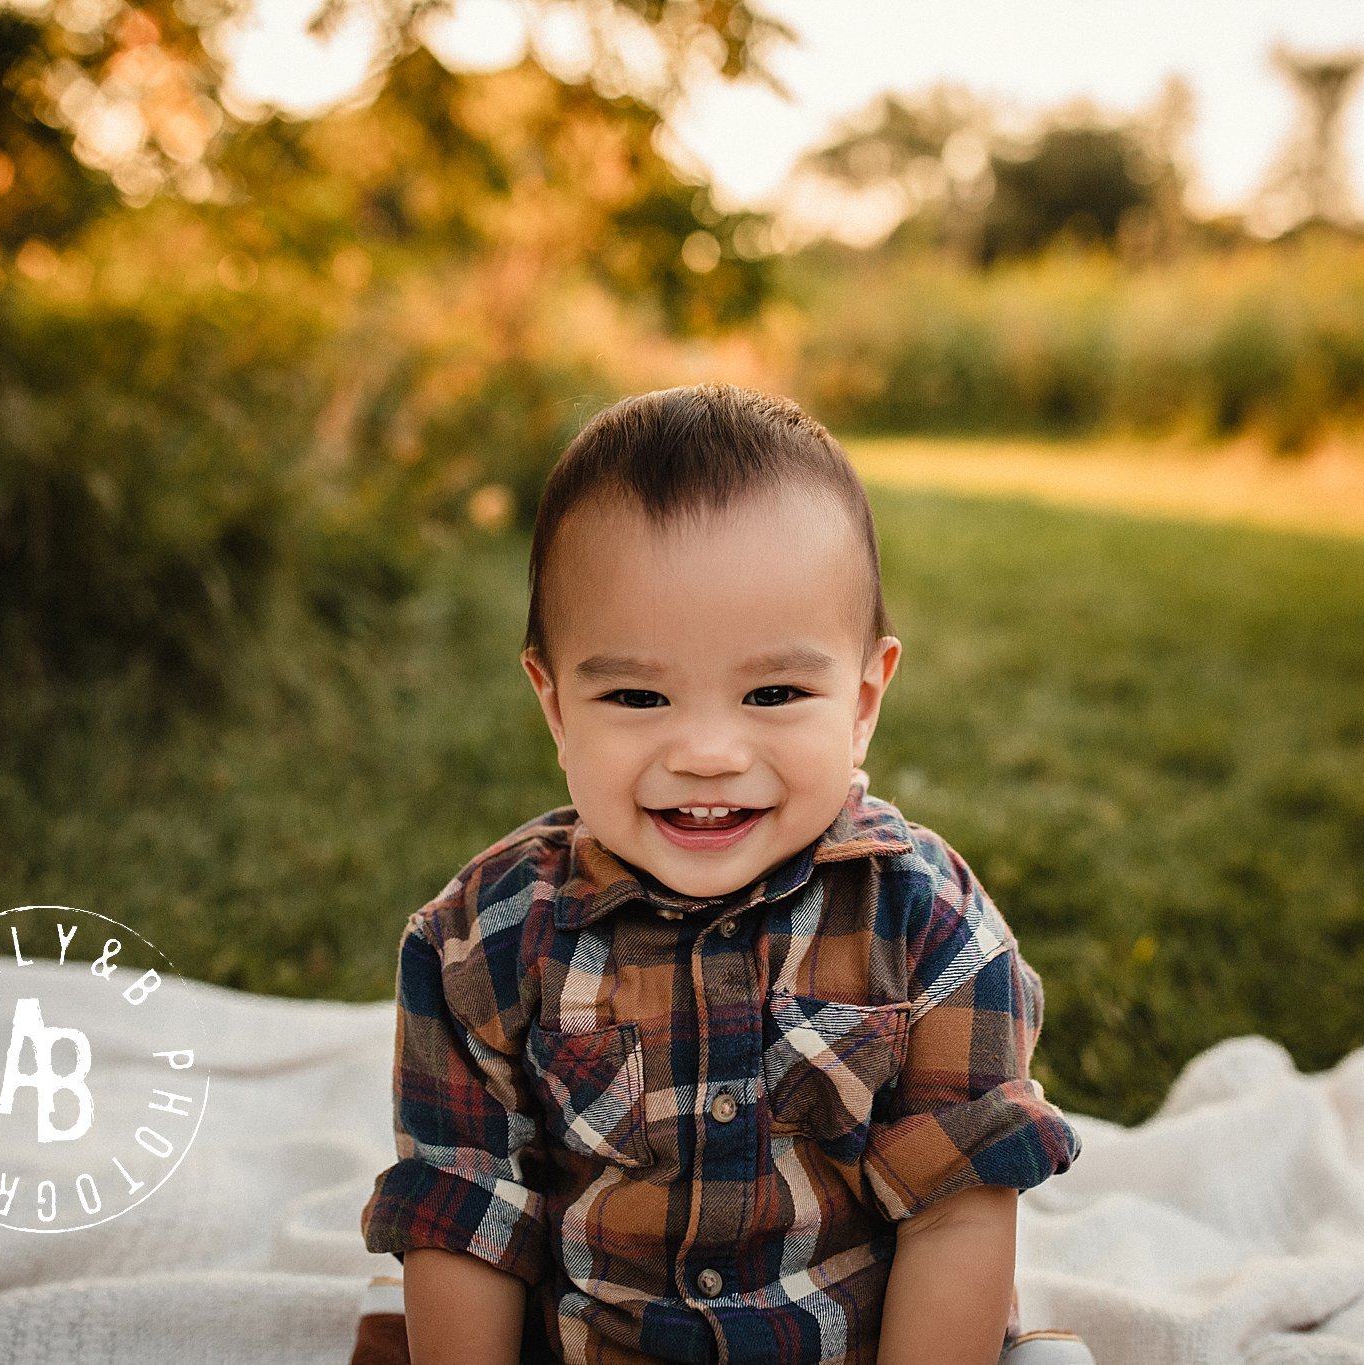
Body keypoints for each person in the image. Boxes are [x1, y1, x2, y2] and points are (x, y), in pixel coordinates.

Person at [358, 385, 1086, 1365]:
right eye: (637, 694)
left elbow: (955, 1214)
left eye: (773, 693)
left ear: (864, 697)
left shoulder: (928, 929)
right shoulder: (480, 947)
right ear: (554, 702)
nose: (705, 751)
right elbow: (465, 1213)